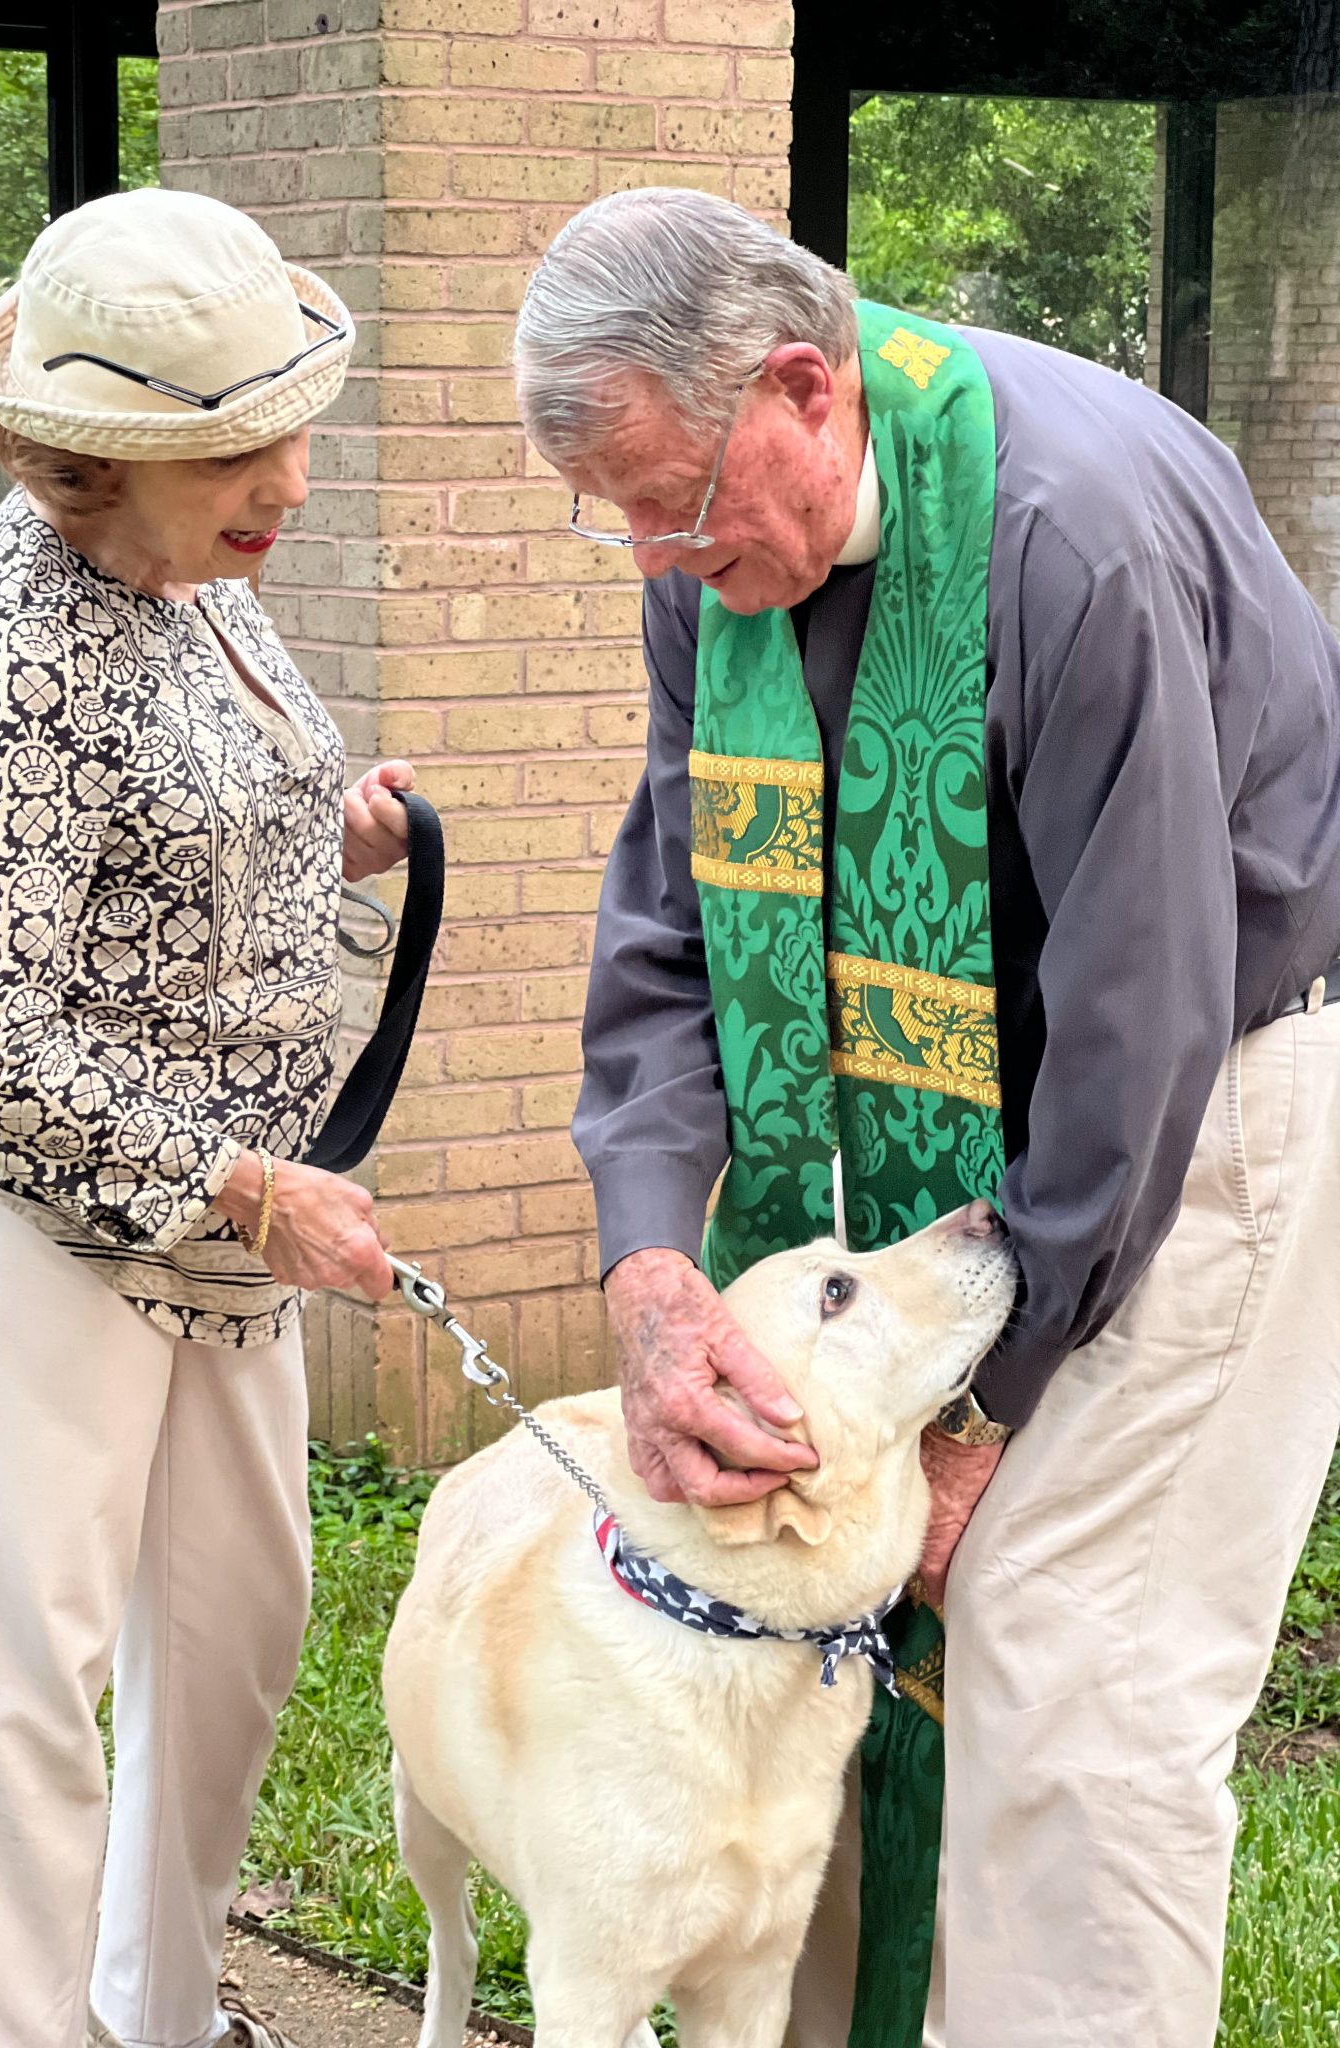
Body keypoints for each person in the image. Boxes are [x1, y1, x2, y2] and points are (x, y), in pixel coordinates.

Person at [513, 185, 1340, 2048]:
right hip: (971, 1141)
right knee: (834, 1642)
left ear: (804, 387)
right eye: (616, 515)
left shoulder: (1070, 537)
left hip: (1203, 1104)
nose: (652, 556)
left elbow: (1141, 1018)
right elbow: (667, 926)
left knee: (1072, 1665)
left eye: (674, 500)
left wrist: (966, 1421)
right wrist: (651, 1261)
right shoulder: (721, 566)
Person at [0, 186, 412, 2048]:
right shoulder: (16, 642)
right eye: (231, 458)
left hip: (212, 1226)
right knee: (32, 1691)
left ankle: (159, 2009)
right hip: (43, 1225)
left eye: (285, 434)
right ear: (82, 474)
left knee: (234, 1649)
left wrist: (328, 840)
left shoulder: (199, 585)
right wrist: (253, 1182)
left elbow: (191, 832)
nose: (282, 484)